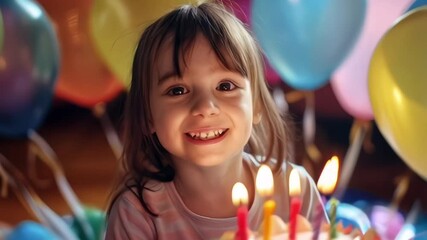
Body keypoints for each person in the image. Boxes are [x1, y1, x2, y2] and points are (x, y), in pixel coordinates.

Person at [105, 1, 327, 239]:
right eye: (177, 90)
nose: (205, 107)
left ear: (256, 105)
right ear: (147, 114)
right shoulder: (137, 213)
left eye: (225, 86)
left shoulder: (295, 190)